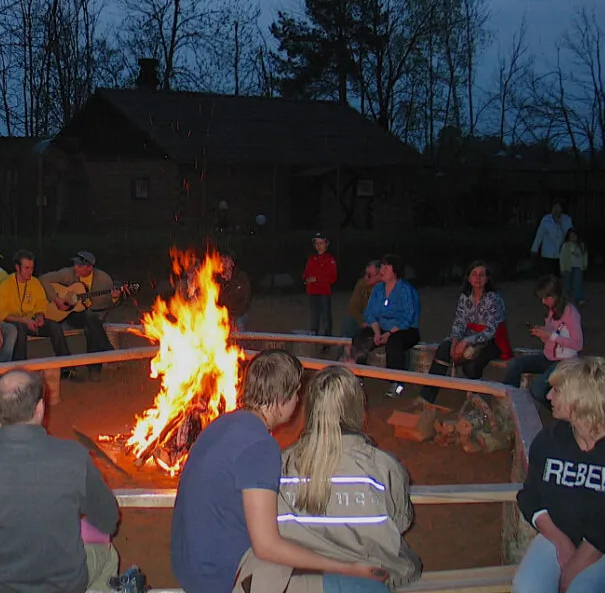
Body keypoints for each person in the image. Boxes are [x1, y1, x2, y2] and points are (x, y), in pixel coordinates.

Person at [171, 350, 387, 593]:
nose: (298, 401)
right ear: (282, 401)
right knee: (369, 588)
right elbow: (267, 546)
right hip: (221, 579)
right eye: (296, 394)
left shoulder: (222, 424)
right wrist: (348, 568)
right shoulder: (260, 446)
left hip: (189, 566)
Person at [0, 369, 120, 593]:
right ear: (40, 408)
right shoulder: (73, 457)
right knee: (108, 556)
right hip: (60, 585)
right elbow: (108, 520)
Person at [279, 366, 420, 591]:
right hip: (368, 581)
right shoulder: (384, 467)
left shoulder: (282, 464)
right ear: (357, 408)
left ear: (311, 408)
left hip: (302, 582)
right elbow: (401, 522)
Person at [513, 357, 605, 593]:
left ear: (579, 397)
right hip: (560, 533)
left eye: (557, 390)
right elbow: (530, 497)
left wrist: (579, 562)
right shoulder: (549, 441)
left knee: (582, 586)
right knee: (527, 587)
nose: (548, 396)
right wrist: (560, 541)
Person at [419, 261, 510, 405]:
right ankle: (426, 398)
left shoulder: (493, 299)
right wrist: (455, 341)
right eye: (474, 274)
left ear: (487, 279)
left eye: (481, 275)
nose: (478, 278)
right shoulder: (465, 297)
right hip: (467, 336)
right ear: (468, 278)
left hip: (490, 341)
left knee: (472, 365)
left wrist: (467, 341)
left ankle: (474, 402)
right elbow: (459, 322)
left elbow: (491, 330)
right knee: (444, 349)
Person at [40, 251, 123, 381]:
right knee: (92, 322)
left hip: (92, 315)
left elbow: (107, 305)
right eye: (75, 264)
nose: (75, 268)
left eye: (79, 266)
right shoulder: (68, 273)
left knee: (91, 323)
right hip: (69, 314)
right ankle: (105, 352)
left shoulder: (103, 280)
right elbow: (43, 279)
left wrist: (114, 298)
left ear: (90, 267)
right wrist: (56, 299)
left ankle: (94, 368)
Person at [502, 275, 583, 404]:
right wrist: (542, 334)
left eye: (546, 298)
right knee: (515, 364)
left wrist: (551, 335)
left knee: (538, 389)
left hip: (565, 362)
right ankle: (510, 402)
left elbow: (578, 344)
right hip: (548, 357)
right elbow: (551, 341)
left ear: (555, 295)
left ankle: (561, 413)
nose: (543, 302)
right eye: (542, 298)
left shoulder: (570, 313)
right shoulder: (551, 311)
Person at [351, 254, 420, 397]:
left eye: (386, 267)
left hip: (404, 329)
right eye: (381, 266)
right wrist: (377, 332)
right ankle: (358, 377)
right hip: (381, 327)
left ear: (395, 271)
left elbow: (408, 317)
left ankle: (397, 383)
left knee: (394, 343)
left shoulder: (405, 290)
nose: (382, 270)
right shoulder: (378, 289)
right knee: (360, 337)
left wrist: (389, 334)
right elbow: (370, 314)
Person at [0, 249, 67, 367]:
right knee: (20, 328)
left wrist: (40, 315)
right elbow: (3, 314)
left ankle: (67, 366)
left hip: (32, 320)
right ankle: (21, 366)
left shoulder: (35, 283)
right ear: (17, 268)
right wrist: (23, 320)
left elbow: (41, 303)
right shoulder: (5, 285)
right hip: (14, 322)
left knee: (55, 327)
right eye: (26, 268)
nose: (30, 272)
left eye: (32, 268)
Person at [303, 232, 338, 336]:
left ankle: (327, 341)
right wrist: (306, 279)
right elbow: (306, 273)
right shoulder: (312, 259)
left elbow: (332, 277)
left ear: (326, 244)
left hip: (323, 292)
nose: (319, 246)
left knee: (326, 318)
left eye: (321, 243)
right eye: (317, 243)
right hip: (312, 292)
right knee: (314, 318)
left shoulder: (330, 260)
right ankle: (314, 339)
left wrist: (317, 279)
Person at [340, 261, 381, 342]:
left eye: (370, 275)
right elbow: (353, 307)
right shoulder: (362, 284)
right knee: (349, 320)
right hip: (365, 318)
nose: (366, 277)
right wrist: (361, 321)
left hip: (379, 320)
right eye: (366, 274)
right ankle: (345, 350)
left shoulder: (384, 287)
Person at [532, 200, 572, 278]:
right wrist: (534, 249)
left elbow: (570, 234)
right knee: (548, 276)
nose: (556, 210)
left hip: (562, 253)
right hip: (548, 253)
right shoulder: (546, 219)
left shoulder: (566, 219)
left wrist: (560, 224)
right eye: (554, 207)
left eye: (558, 207)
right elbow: (539, 235)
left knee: (559, 276)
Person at [216, 252, 252, 332]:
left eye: (226, 261)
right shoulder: (215, 280)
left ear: (232, 263)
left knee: (239, 327)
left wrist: (234, 316)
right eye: (221, 261)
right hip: (221, 316)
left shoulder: (241, 277)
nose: (223, 264)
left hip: (238, 315)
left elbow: (245, 298)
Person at [560, 228, 588, 306]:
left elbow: (585, 255)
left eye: (574, 236)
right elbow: (562, 257)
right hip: (567, 267)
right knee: (567, 284)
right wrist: (562, 268)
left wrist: (585, 264)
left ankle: (579, 298)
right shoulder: (565, 245)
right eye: (571, 236)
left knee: (578, 283)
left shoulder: (581, 245)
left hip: (578, 267)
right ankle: (566, 298)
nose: (573, 238)